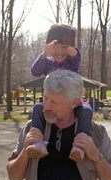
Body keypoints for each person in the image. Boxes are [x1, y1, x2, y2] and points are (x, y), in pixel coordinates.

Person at [6, 69, 111, 180]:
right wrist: (25, 152)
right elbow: (13, 177)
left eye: (55, 102)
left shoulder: (96, 132)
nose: (46, 106)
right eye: (45, 98)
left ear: (74, 103)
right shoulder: (31, 128)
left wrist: (96, 157)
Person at [28, 24, 92, 162]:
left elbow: (76, 55)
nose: (59, 52)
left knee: (86, 110)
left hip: (72, 104)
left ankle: (79, 146)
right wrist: (44, 54)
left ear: (70, 48)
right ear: (48, 47)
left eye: (64, 48)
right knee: (37, 108)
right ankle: (38, 143)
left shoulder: (72, 61)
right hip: (51, 104)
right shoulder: (47, 62)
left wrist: (67, 47)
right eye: (55, 48)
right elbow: (35, 72)